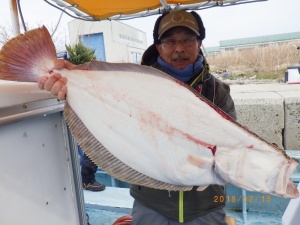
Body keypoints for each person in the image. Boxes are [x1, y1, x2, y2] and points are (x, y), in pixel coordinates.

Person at [37, 10, 237, 225]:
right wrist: (69, 79)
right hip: (151, 204)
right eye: (170, 41)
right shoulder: (134, 82)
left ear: (199, 43)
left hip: (205, 207)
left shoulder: (218, 91)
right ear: (159, 47)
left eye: (188, 40)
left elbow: (231, 145)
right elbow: (102, 95)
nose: (179, 48)